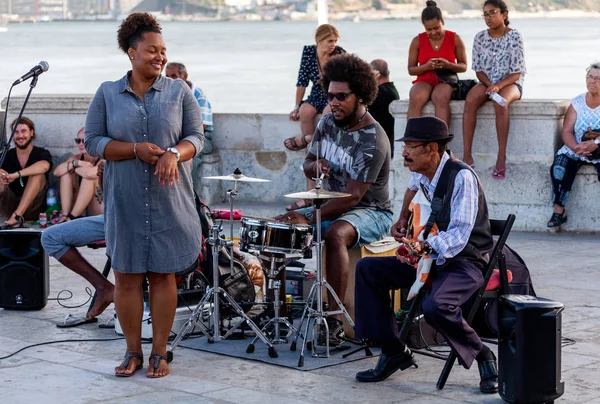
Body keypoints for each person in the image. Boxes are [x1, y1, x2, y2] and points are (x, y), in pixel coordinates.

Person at [84, 12, 204, 379]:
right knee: (128, 277)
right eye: (152, 50)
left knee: (163, 275)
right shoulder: (107, 93)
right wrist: (134, 149)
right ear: (132, 52)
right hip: (127, 200)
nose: (160, 56)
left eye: (163, 51)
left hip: (170, 200)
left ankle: (159, 353)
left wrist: (173, 154)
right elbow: (93, 142)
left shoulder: (179, 91)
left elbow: (196, 137)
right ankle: (132, 352)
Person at [354, 116, 499, 394]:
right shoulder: (424, 171)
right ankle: (393, 350)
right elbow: (411, 187)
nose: (404, 152)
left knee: (436, 306)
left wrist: (421, 248)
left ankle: (483, 356)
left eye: (410, 146)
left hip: (465, 261)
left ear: (431, 148)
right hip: (431, 257)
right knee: (368, 270)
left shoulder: (462, 177)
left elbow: (458, 236)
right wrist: (402, 218)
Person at [277, 53, 393, 345]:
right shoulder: (326, 123)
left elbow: (353, 198)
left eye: (342, 96)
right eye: (330, 96)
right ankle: (278, 314)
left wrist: (311, 216)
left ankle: (334, 322)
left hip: (371, 211)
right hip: (331, 204)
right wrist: (314, 167)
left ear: (361, 96)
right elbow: (308, 162)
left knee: (335, 233)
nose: (334, 102)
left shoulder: (373, 139)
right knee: (279, 228)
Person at [42, 161, 113, 322]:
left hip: (138, 221)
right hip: (110, 217)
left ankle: (132, 296)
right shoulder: (106, 151)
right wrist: (101, 174)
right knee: (50, 237)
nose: (83, 144)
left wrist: (79, 167)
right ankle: (104, 288)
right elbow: (105, 193)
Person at [462, 0, 526, 179]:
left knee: (501, 103)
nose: (488, 17)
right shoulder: (480, 37)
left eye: (492, 12)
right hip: (486, 82)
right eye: (485, 14)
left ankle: (501, 156)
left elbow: (516, 73)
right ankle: (467, 155)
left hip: (511, 82)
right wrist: (489, 85)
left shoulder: (514, 37)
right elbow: (478, 69)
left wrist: (498, 86)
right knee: (470, 100)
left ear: (504, 14)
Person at [547, 63, 600, 228]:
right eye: (589, 77)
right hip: (578, 148)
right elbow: (567, 131)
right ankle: (559, 210)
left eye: (597, 78)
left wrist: (595, 144)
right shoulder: (577, 102)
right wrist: (576, 147)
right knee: (560, 165)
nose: (592, 81)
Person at [284, 23, 346, 152]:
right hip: (316, 94)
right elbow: (302, 81)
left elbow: (346, 81)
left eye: (335, 41)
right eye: (330, 41)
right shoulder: (308, 52)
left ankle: (306, 141)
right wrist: (296, 106)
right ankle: (312, 153)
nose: (333, 44)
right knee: (304, 111)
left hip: (334, 95)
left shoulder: (340, 53)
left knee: (327, 114)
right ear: (319, 40)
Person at [407, 1, 467, 126]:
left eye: (436, 28)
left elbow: (463, 66)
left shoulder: (454, 38)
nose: (433, 32)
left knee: (440, 98)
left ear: (442, 22)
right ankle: (413, 140)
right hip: (425, 79)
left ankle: (441, 141)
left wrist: (448, 65)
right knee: (416, 97)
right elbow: (411, 70)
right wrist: (426, 67)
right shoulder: (417, 41)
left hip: (446, 79)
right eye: (429, 30)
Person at [0, 116, 53, 228]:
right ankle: (14, 216)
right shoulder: (7, 155)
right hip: (10, 205)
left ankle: (17, 216)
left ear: (31, 133)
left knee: (38, 174)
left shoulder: (41, 153)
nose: (20, 136)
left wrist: (16, 175)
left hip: (35, 207)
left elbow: (44, 166)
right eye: (16, 132)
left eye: (23, 131)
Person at [53, 127, 103, 223]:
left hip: (97, 210)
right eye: (78, 141)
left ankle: (71, 217)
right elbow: (57, 172)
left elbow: (90, 173)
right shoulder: (76, 158)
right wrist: (77, 164)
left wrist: (74, 168)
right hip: (80, 209)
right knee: (65, 174)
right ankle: (65, 215)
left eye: (84, 140)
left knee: (88, 178)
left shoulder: (103, 158)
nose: (80, 144)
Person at [165, 62, 214, 153]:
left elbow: (201, 127)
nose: (170, 80)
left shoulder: (197, 94)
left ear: (185, 76)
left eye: (174, 76)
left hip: (201, 138)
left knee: (187, 156)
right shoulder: (166, 94)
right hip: (177, 137)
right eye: (167, 76)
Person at [369, 59, 400, 158]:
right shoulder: (392, 90)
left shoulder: (379, 93)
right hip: (386, 144)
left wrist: (369, 82)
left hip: (378, 146)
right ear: (388, 73)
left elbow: (359, 102)